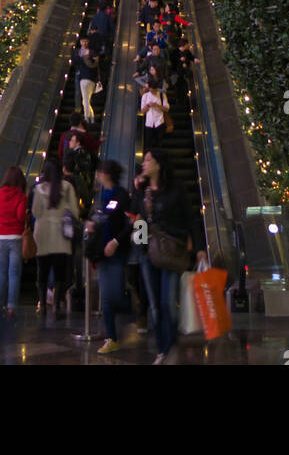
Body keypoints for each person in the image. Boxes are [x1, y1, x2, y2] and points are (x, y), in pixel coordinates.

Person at [131, 148, 205, 364]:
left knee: (167, 303)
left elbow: (190, 218)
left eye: (148, 160)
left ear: (159, 164)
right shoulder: (143, 190)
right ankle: (163, 349)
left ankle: (170, 345)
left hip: (172, 252)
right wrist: (141, 246)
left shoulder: (176, 188)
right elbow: (139, 220)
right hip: (149, 255)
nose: (143, 164)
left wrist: (199, 246)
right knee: (155, 305)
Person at [88, 159, 132, 354]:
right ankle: (111, 338)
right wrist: (93, 225)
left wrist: (116, 241)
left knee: (114, 295)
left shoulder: (121, 194)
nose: (98, 175)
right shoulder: (101, 195)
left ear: (107, 174)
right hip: (102, 252)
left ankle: (137, 308)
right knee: (106, 297)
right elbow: (101, 217)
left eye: (100, 172)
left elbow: (130, 224)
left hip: (117, 251)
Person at [30, 157, 79, 322]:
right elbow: (75, 212)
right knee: (60, 273)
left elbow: (35, 212)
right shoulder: (67, 187)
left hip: (42, 234)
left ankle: (43, 305)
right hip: (60, 235)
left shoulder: (38, 189)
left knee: (42, 271)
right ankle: (57, 304)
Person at [0, 166, 27, 318]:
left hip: (0, 237)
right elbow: (20, 216)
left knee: (2, 272)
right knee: (14, 274)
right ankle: (11, 307)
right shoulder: (21, 196)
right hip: (15, 238)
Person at [74, 37, 99, 126]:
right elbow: (75, 61)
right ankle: (91, 119)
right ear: (80, 42)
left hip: (86, 78)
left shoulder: (91, 52)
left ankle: (86, 119)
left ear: (88, 42)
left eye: (85, 41)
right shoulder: (78, 52)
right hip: (85, 77)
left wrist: (84, 57)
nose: (84, 43)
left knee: (85, 100)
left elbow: (95, 64)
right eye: (82, 41)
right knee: (86, 100)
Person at [141, 77, 170, 152]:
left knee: (159, 144)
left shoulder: (161, 95)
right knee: (148, 145)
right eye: (151, 90)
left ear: (157, 88)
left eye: (154, 90)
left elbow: (167, 109)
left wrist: (157, 105)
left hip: (159, 122)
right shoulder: (145, 96)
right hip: (149, 124)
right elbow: (142, 112)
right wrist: (148, 105)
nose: (153, 92)